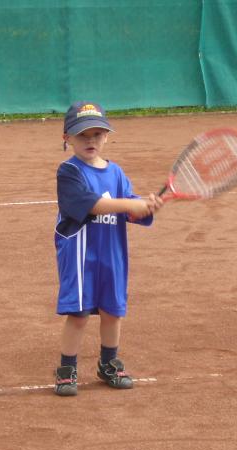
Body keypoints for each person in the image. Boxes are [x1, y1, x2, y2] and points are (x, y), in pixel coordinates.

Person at [53, 101, 163, 396]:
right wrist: (131, 204)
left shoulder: (116, 173)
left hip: (112, 253)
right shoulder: (69, 171)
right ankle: (67, 368)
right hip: (81, 255)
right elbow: (93, 204)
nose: (91, 140)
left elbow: (130, 209)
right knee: (78, 314)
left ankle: (109, 363)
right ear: (67, 138)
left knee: (112, 310)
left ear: (107, 137)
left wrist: (145, 206)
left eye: (97, 134)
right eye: (82, 135)